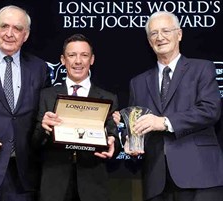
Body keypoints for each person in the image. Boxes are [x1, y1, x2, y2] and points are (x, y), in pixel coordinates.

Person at [113, 11, 223, 201]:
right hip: (157, 181)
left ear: (179, 34)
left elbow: (210, 110)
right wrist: (129, 141)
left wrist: (164, 122)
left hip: (201, 176)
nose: (160, 37)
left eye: (165, 31)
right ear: (149, 41)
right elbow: (134, 125)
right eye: (154, 33)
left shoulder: (202, 68)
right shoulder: (138, 83)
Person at [32, 33, 120, 201]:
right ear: (63, 60)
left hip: (93, 185)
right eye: (72, 55)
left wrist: (113, 145)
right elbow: (35, 144)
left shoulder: (108, 98)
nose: (78, 61)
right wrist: (44, 130)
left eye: (84, 55)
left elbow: (113, 139)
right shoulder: (46, 96)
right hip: (54, 186)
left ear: (92, 59)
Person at [0, 5, 51, 201]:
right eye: (4, 26)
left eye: (17, 28)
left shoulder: (39, 68)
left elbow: (42, 116)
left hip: (23, 176)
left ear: (25, 35)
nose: (10, 33)